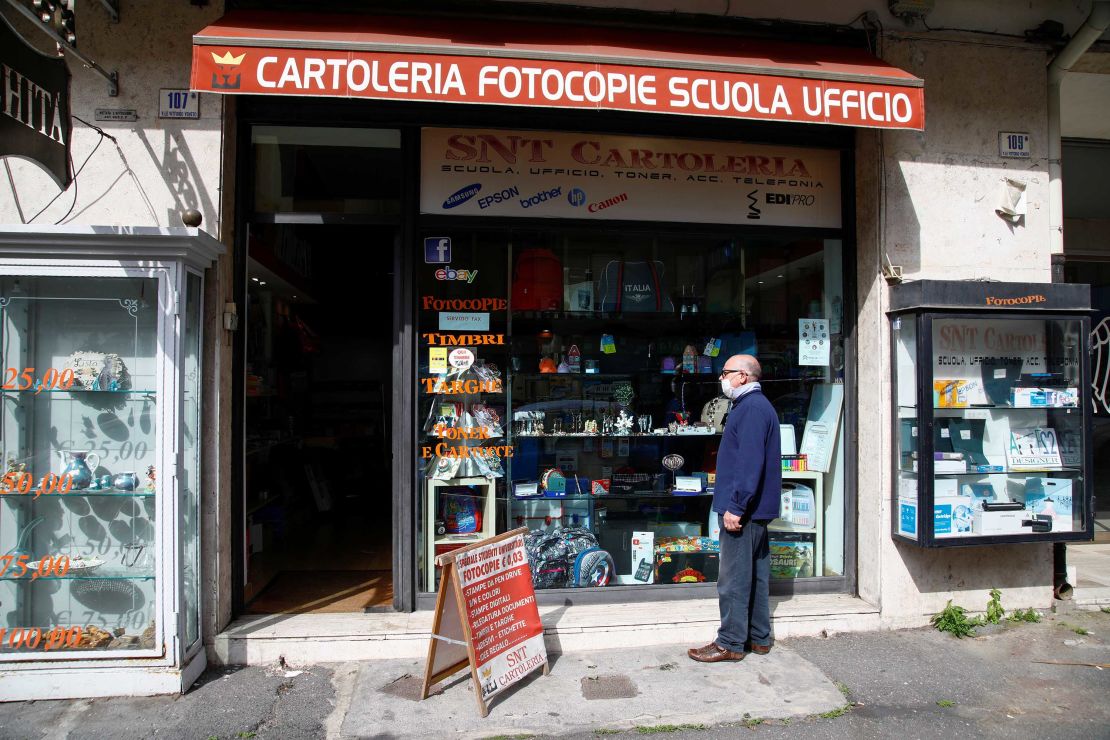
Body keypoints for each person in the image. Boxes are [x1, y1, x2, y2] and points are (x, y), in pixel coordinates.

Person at [688, 354, 781, 662]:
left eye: (725, 372)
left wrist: (736, 506)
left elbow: (749, 463)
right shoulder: (754, 406)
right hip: (755, 510)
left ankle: (730, 642)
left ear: (742, 376)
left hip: (745, 510)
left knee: (733, 579)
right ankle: (758, 638)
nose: (721, 378)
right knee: (754, 575)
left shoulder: (752, 409)